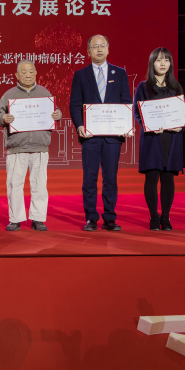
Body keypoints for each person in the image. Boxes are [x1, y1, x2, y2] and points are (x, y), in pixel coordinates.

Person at [69, 34, 133, 232]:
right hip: (90, 136)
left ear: (108, 49)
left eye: (102, 45)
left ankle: (109, 218)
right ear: (88, 51)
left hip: (113, 137)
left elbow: (126, 102)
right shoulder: (81, 75)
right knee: (89, 178)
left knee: (110, 178)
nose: (99, 49)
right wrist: (79, 125)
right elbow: (75, 104)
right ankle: (90, 217)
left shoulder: (119, 73)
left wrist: (126, 125)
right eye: (95, 46)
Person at [0, 60, 63, 231]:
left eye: (31, 71)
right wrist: (3, 118)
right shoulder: (9, 94)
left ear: (36, 73)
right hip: (17, 148)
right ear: (17, 75)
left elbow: (55, 111)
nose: (28, 75)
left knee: (39, 185)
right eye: (23, 72)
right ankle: (15, 219)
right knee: (14, 184)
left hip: (40, 147)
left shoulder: (44, 92)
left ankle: (38, 219)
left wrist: (58, 114)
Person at [133, 48, 184, 231]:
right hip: (152, 138)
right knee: (152, 177)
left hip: (172, 138)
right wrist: (149, 125)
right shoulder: (143, 86)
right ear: (152, 63)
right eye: (159, 60)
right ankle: (154, 217)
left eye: (167, 60)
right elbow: (137, 111)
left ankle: (166, 217)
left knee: (168, 178)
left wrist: (181, 124)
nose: (163, 64)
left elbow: (181, 112)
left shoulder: (176, 87)